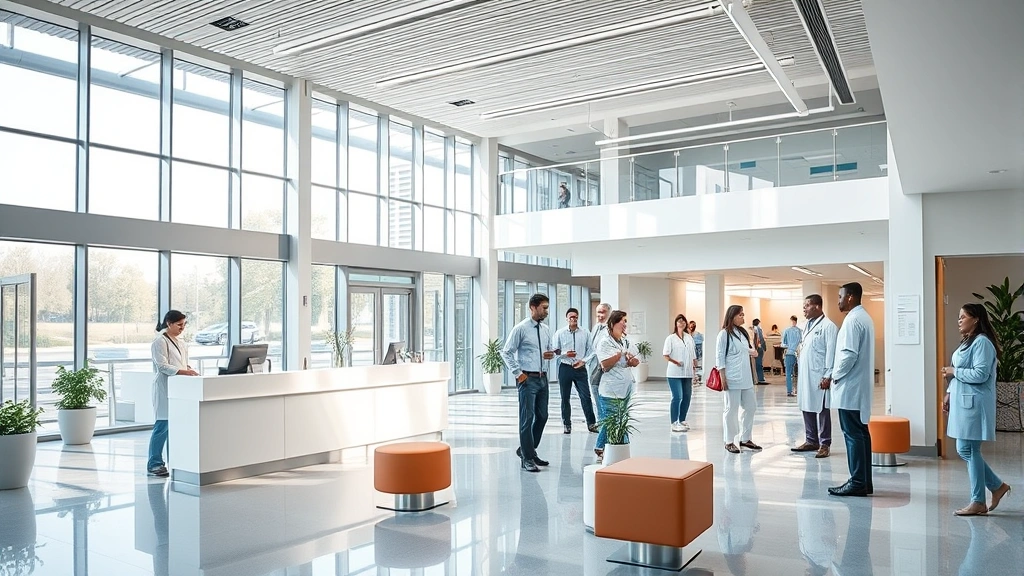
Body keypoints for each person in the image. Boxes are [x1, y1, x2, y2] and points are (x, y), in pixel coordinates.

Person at [942, 303, 1011, 516]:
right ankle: (997, 487)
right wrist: (950, 392)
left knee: (968, 449)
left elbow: (980, 375)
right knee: (966, 449)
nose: (959, 320)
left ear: (976, 319)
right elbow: (962, 374)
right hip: (964, 401)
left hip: (975, 404)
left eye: (963, 316)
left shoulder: (982, 343)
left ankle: (979, 501)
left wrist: (954, 371)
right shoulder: (968, 342)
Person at [826, 282, 875, 497]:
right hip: (858, 388)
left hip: (850, 388)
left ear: (850, 297)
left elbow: (848, 354)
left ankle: (857, 482)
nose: (838, 300)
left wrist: (834, 375)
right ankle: (864, 481)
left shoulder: (853, 320)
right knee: (861, 434)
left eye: (840, 296)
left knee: (853, 435)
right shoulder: (864, 317)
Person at [501, 293, 556, 473]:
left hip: (542, 378)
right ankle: (527, 457)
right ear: (533, 307)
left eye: (547, 308)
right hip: (528, 379)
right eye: (544, 308)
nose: (546, 311)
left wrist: (551, 354)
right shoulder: (521, 329)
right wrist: (518, 373)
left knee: (543, 416)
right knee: (527, 418)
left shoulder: (546, 329)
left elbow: (547, 352)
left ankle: (528, 450)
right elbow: (506, 352)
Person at [148, 310, 199, 478]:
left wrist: (188, 369)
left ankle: (174, 461)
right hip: (164, 388)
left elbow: (181, 363)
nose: (182, 328)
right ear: (169, 323)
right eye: (179, 325)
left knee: (175, 427)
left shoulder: (180, 342)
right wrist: (184, 372)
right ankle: (154, 464)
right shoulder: (159, 341)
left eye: (184, 325)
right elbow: (162, 366)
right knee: (162, 426)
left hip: (178, 389)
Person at [791, 294, 838, 458]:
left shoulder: (828, 326)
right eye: (804, 305)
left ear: (817, 306)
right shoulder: (806, 326)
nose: (804, 308)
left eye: (807, 305)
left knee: (822, 408)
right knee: (806, 404)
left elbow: (831, 352)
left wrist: (828, 375)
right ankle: (811, 440)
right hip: (805, 373)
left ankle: (825, 443)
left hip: (820, 374)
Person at [594, 310, 639, 462]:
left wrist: (632, 361)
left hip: (624, 388)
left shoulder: (624, 341)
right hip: (610, 389)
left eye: (626, 321)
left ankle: (609, 448)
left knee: (620, 419)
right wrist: (619, 355)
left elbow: (630, 360)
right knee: (611, 420)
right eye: (623, 321)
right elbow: (605, 365)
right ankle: (608, 447)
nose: (625, 324)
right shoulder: (605, 342)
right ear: (613, 324)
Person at [716, 305, 762, 454]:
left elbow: (746, 350)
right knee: (731, 410)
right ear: (732, 316)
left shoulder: (742, 333)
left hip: (746, 378)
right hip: (732, 378)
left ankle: (745, 438)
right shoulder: (723, 334)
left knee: (751, 407)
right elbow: (720, 357)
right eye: (740, 315)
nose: (743, 317)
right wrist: (723, 377)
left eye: (743, 314)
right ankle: (729, 441)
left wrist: (753, 352)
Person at [553, 308, 599, 434]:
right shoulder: (560, 333)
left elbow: (592, 350)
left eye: (575, 317)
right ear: (567, 318)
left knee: (586, 396)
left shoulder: (585, 332)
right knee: (565, 397)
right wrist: (565, 353)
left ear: (578, 317)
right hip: (565, 367)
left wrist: (583, 361)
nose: (573, 319)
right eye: (571, 317)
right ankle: (566, 424)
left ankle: (591, 423)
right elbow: (555, 350)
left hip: (580, 368)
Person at [663, 314, 697, 432]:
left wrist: (694, 368)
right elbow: (666, 355)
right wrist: (675, 362)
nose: (681, 323)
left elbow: (693, 355)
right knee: (678, 396)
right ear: (676, 323)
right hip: (674, 373)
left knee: (687, 396)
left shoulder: (689, 337)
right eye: (679, 321)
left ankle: (682, 419)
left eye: (683, 321)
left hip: (687, 372)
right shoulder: (671, 338)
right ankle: (674, 422)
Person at [587, 303, 612, 419]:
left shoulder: (610, 329)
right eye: (598, 312)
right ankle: (600, 416)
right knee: (594, 390)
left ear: (609, 313)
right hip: (593, 363)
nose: (600, 315)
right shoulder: (596, 327)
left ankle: (602, 417)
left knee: (596, 388)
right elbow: (592, 346)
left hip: (602, 363)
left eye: (603, 312)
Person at [781, 315, 803, 397]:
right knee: (799, 374)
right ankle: (798, 390)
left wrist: (789, 347)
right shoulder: (800, 331)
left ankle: (789, 391)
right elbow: (802, 342)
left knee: (788, 373)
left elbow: (783, 344)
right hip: (798, 354)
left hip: (789, 353)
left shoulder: (786, 330)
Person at [751, 318, 768, 384]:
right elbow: (761, 338)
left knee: (757, 363)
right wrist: (764, 347)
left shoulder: (753, 329)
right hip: (758, 348)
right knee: (759, 363)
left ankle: (758, 378)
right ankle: (760, 378)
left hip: (755, 348)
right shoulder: (757, 329)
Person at [690, 320, 704, 386]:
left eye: (693, 325)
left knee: (696, 366)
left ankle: (695, 378)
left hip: (696, 353)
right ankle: (694, 378)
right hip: (692, 354)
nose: (692, 327)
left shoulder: (697, 335)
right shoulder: (688, 335)